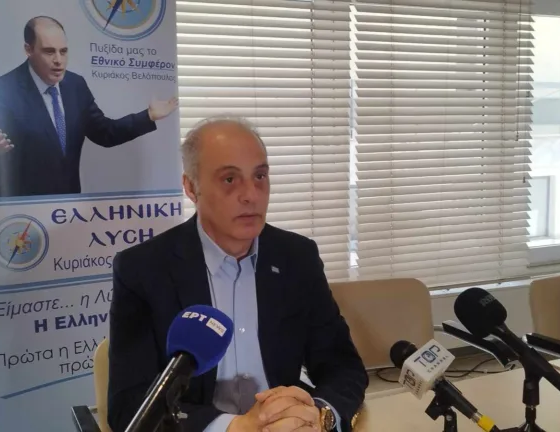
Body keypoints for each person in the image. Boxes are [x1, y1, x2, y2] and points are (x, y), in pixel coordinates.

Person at [108, 117, 367, 432]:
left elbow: (342, 366)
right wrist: (234, 427)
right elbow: (129, 406)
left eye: (260, 176)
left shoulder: (297, 257)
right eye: (230, 179)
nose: (251, 195)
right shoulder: (142, 269)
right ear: (191, 187)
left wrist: (321, 416)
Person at [0, 16, 178, 198]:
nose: (58, 60)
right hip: (20, 210)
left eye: (63, 51)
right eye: (49, 51)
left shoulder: (76, 86)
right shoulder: (0, 92)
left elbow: (105, 132)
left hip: (68, 207)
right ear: (28, 50)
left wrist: (148, 116)